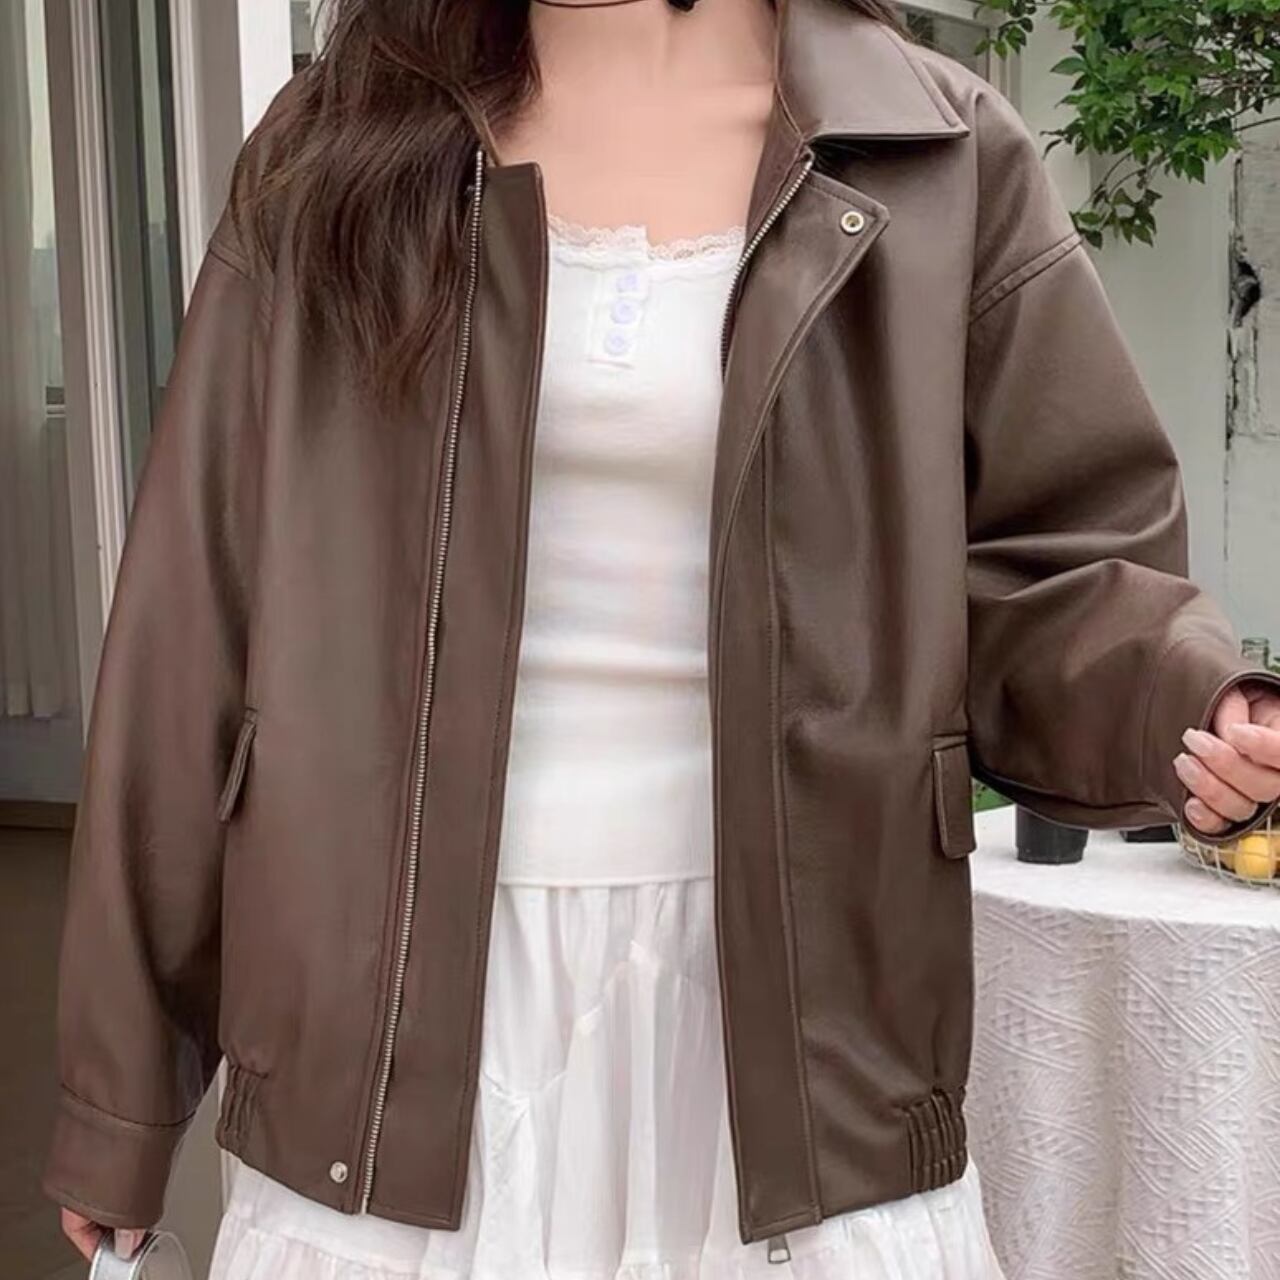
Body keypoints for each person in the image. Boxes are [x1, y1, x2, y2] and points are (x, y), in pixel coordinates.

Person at [45, 0, 1280, 1276]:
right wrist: (118, 1096)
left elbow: (1057, 565)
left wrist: (1189, 699)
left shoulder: (932, 149)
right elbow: (194, 622)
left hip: (800, 1015)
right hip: (389, 1019)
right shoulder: (336, 144)